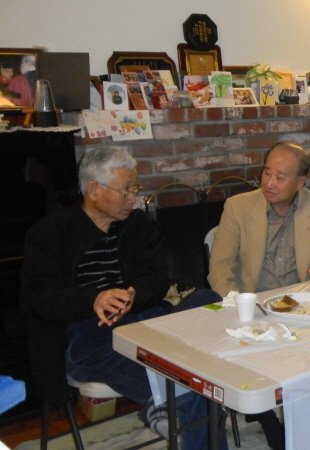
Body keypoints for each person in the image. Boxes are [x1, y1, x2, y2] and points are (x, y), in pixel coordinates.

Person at [20, 148, 228, 450]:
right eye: (126, 190)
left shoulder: (137, 225)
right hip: (89, 335)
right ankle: (168, 403)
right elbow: (38, 298)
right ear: (94, 189)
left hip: (142, 319)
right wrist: (94, 299)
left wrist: (133, 295)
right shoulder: (51, 232)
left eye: (135, 188)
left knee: (209, 300)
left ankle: (165, 404)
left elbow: (155, 279)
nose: (134, 198)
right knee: (196, 381)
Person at [208, 141, 310, 449]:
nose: (269, 183)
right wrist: (239, 306)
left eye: (280, 177)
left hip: (300, 308)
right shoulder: (238, 207)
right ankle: (266, 416)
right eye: (266, 173)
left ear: (300, 183)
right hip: (252, 307)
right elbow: (220, 268)